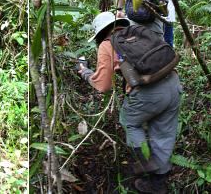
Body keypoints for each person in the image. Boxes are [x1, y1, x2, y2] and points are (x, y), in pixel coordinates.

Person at [78, 12, 182, 194]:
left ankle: (146, 162)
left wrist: (85, 73)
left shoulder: (107, 44)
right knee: (164, 132)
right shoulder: (139, 32)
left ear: (100, 32)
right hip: (173, 84)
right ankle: (158, 183)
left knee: (130, 122)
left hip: (149, 93)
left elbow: (103, 86)